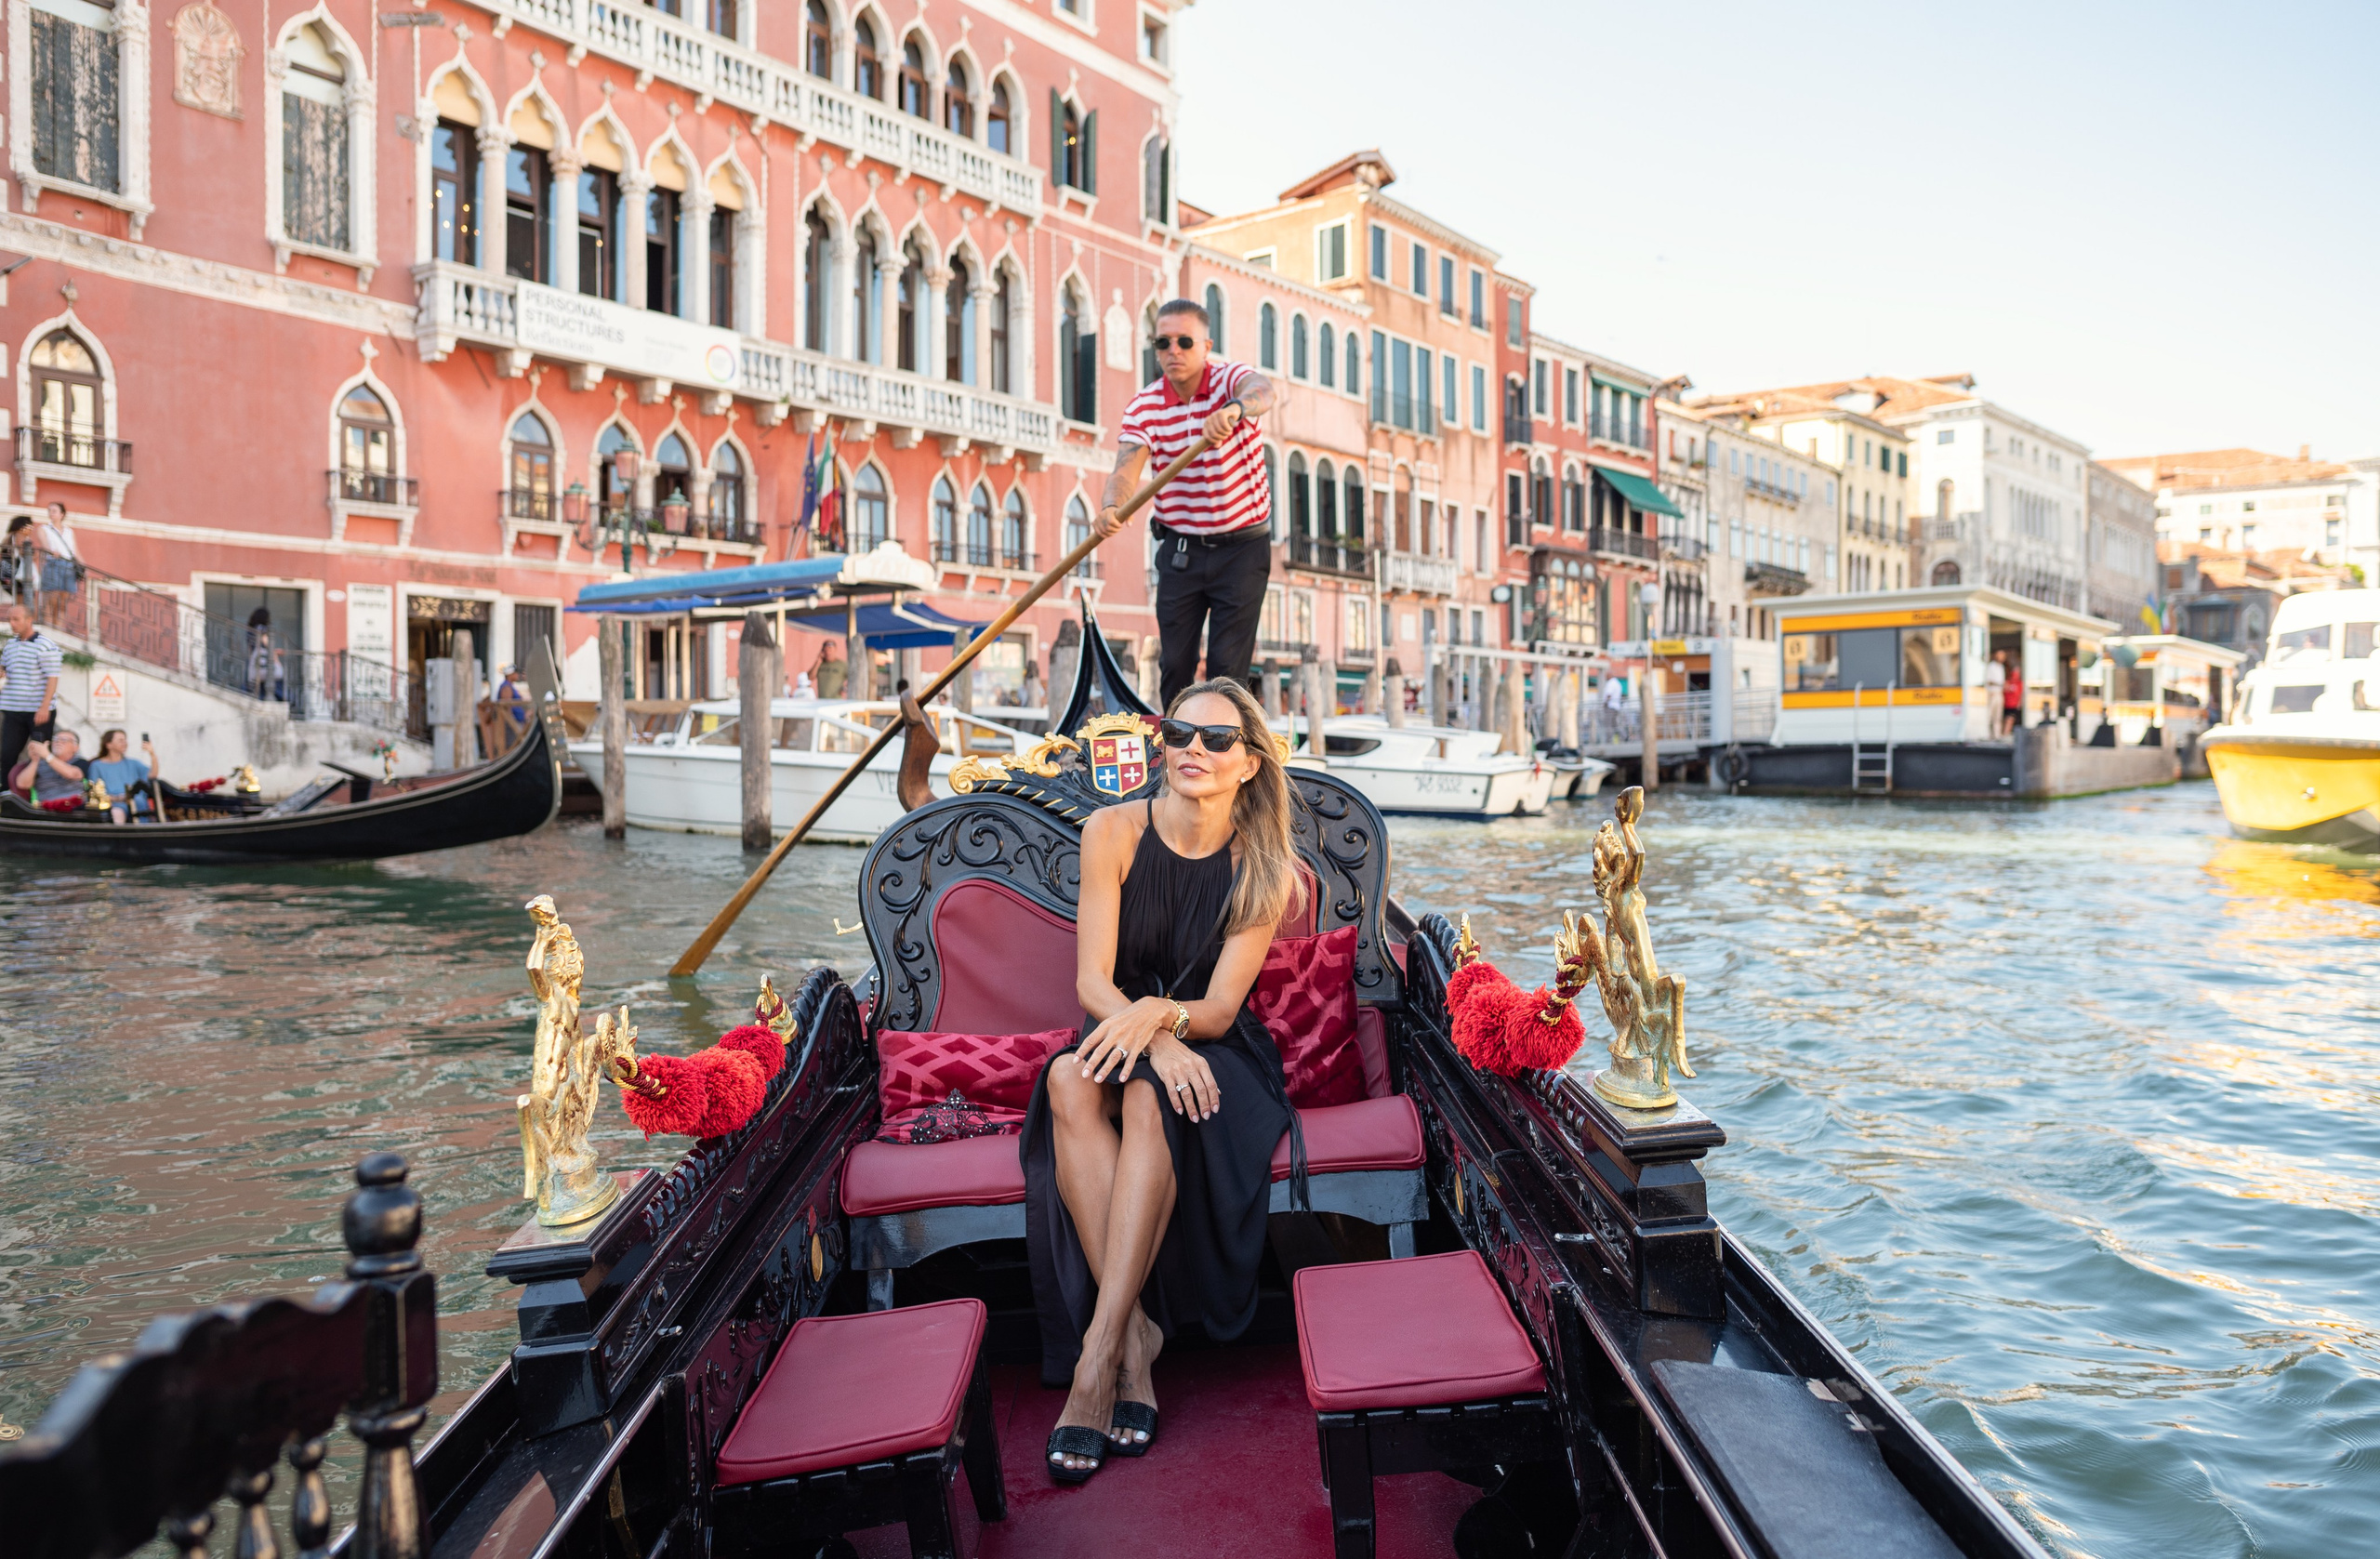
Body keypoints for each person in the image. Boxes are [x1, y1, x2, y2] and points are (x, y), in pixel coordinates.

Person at [1021, 678, 1304, 1482]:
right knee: (1070, 1085)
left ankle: (1097, 1358)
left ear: (1249, 764)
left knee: (1149, 1094)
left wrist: (1164, 1026)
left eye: (1218, 741)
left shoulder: (1263, 867)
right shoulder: (1110, 829)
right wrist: (1148, 1026)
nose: (1194, 750)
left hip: (1219, 1052)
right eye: (1182, 732)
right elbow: (1091, 985)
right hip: (1118, 1022)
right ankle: (1135, 1337)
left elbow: (1216, 1009)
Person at [1096, 299, 1277, 708]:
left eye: (1184, 341)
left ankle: (1223, 754)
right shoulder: (1146, 406)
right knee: (1175, 664)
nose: (1172, 351)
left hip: (1243, 550)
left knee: (1226, 669)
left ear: (1206, 345)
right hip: (1181, 551)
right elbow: (1126, 468)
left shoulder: (1231, 381)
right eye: (1163, 342)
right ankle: (1176, 751)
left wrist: (1234, 409)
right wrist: (1111, 507)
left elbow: (1264, 391)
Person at [1, 599, 61, 780]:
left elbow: (53, 678)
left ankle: (39, 796)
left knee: (40, 754)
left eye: (16, 619)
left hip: (38, 711)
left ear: (29, 620)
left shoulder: (45, 645)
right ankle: (5, 796)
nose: (12, 623)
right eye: (10, 619)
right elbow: (4, 668)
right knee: (7, 755)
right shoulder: (10, 646)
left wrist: (44, 707)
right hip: (13, 709)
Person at [86, 728, 158, 824]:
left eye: (125, 740)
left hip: (136, 803)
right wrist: (118, 798)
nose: (125, 743)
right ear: (108, 744)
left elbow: (153, 774)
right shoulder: (97, 765)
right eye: (120, 740)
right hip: (114, 804)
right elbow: (94, 791)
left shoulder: (133, 763)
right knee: (116, 813)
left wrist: (152, 754)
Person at [19, 728, 87, 807]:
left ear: (76, 747)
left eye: (64, 740)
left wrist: (48, 756)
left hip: (74, 806)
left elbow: (72, 774)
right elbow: (23, 784)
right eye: (55, 739)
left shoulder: (80, 762)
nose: (58, 742)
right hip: (47, 807)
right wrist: (35, 761)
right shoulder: (41, 763)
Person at [34, 501, 78, 597]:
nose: (51, 513)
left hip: (69, 565)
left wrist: (82, 566)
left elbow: (75, 551)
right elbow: (45, 545)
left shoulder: (69, 531)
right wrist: (52, 552)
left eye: (54, 511)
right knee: (51, 598)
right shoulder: (44, 528)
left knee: (63, 601)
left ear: (62, 514)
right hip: (53, 563)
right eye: (49, 510)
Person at [2001, 652, 2024, 737]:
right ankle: (2004, 733)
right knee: (2005, 719)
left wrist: (2019, 703)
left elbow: (2020, 694)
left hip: (2013, 704)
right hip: (2006, 703)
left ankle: (2006, 733)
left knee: (2010, 719)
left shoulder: (2019, 683)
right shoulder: (2007, 681)